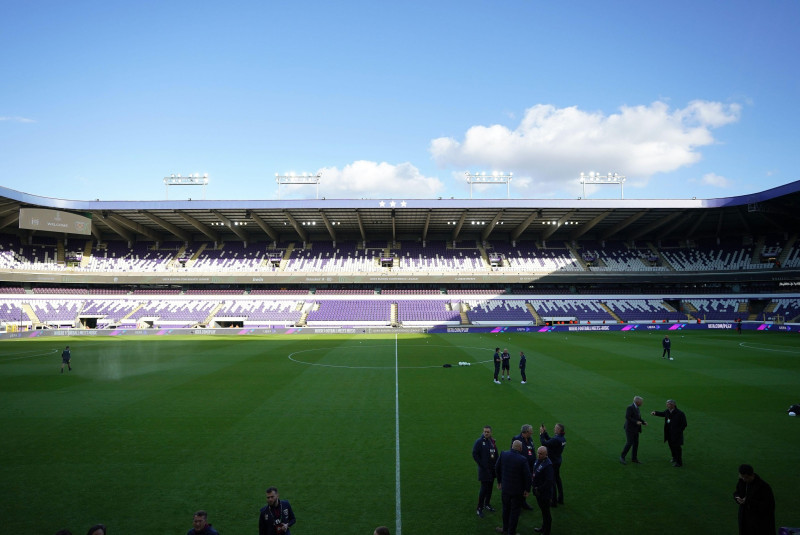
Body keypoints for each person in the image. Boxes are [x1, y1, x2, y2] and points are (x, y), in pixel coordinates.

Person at [494, 440, 531, 535]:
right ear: (520, 448)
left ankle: (505, 529)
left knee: (505, 509)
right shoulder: (522, 459)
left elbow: (496, 467)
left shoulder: (503, 454)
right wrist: (527, 489)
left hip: (505, 488)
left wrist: (499, 481)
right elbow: (527, 476)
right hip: (517, 491)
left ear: (512, 446)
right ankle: (511, 532)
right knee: (514, 512)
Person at [733, 464, 775, 535]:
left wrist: (748, 501)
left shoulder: (763, 487)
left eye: (745, 477)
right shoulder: (742, 481)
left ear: (751, 475)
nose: (743, 479)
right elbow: (737, 492)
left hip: (758, 522)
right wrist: (737, 497)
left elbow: (769, 506)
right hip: (744, 518)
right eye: (741, 477)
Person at [650, 399, 688, 467]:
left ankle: (679, 462)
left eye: (669, 404)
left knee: (677, 448)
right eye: (667, 404)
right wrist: (655, 413)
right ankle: (674, 457)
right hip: (669, 433)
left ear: (673, 405)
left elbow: (684, 424)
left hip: (676, 435)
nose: (667, 405)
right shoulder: (667, 411)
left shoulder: (680, 413)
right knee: (671, 446)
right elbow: (662, 414)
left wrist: (678, 431)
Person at [472, 425, 498, 517]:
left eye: (488, 432)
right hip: (484, 470)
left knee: (490, 488)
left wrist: (497, 466)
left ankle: (487, 504)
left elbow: (496, 454)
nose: (486, 433)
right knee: (483, 489)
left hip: (492, 470)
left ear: (491, 432)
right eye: (485, 432)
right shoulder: (479, 442)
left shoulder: (492, 442)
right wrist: (481, 465)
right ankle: (479, 508)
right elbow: (474, 454)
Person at [539, 423, 566, 506]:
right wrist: (545, 433)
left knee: (552, 481)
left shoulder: (557, 439)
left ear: (559, 430)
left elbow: (544, 443)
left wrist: (541, 434)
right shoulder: (562, 439)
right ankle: (560, 498)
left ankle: (553, 501)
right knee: (558, 479)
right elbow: (551, 441)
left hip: (553, 462)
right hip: (558, 460)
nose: (554, 429)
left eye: (556, 428)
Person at [511, 424, 536, 510]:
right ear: (525, 432)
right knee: (519, 486)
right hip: (520, 468)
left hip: (529, 466)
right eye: (530, 431)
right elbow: (513, 453)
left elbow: (533, 451)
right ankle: (517, 504)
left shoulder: (530, 439)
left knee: (526, 485)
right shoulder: (516, 439)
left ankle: (523, 502)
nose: (532, 432)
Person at [531, 446, 554, 535]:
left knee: (546, 513)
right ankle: (543, 528)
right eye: (538, 453)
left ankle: (547, 531)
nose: (539, 455)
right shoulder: (538, 461)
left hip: (544, 494)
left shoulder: (548, 465)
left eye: (541, 454)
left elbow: (549, 481)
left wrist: (538, 488)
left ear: (546, 454)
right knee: (543, 512)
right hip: (538, 492)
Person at [620, 395, 647, 464]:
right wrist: (636, 422)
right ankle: (622, 457)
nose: (642, 403)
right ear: (637, 402)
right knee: (629, 443)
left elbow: (638, 417)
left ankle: (634, 458)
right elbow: (627, 417)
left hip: (635, 429)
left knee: (636, 443)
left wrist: (643, 422)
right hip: (630, 428)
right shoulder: (630, 407)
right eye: (641, 402)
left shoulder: (637, 408)